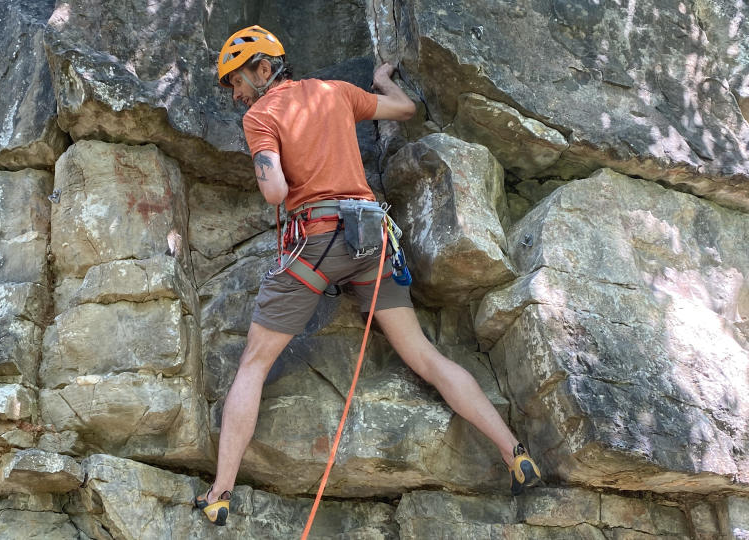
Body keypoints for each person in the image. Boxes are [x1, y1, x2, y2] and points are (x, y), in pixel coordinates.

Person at [195, 25, 541, 526]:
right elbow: (404, 109)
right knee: (423, 354)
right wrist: (382, 78)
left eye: (237, 81)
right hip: (371, 237)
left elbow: (274, 193)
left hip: (317, 240)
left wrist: (269, 162)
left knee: (254, 363)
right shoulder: (336, 93)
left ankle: (220, 493)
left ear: (264, 70)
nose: (235, 92)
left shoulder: (260, 115)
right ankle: (515, 452)